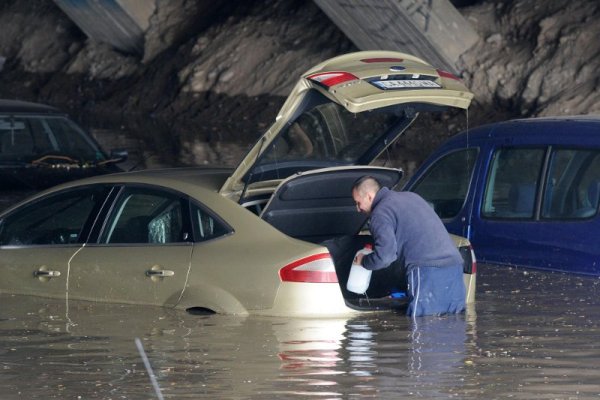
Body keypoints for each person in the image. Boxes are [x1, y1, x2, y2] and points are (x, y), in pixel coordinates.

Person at [351, 176, 465, 317]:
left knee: (423, 329)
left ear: (369, 196)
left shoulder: (380, 213)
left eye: (358, 203)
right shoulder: (411, 197)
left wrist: (364, 261)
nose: (358, 209)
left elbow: (386, 256)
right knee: (454, 327)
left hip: (428, 272)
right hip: (454, 267)